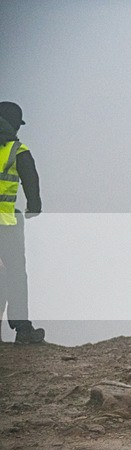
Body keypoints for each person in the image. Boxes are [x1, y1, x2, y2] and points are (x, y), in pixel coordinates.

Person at [0, 101, 45, 345]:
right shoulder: (18, 151)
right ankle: (23, 330)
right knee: (16, 274)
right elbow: (31, 180)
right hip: (7, 225)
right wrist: (33, 208)